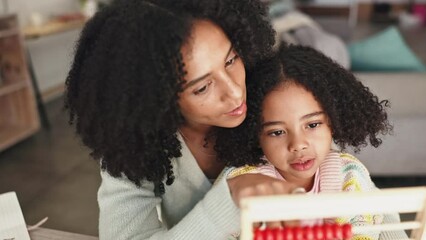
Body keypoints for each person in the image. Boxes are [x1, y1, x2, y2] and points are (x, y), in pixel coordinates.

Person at [64, 0, 300, 239]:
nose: (235, 92)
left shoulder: (280, 101)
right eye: (202, 88)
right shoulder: (134, 146)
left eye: (231, 60)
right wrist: (227, 200)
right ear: (157, 97)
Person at [215, 45, 407, 239]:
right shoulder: (243, 186)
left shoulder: (350, 176)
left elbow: (375, 227)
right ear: (255, 135)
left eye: (313, 124)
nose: (298, 144)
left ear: (333, 121)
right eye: (277, 132)